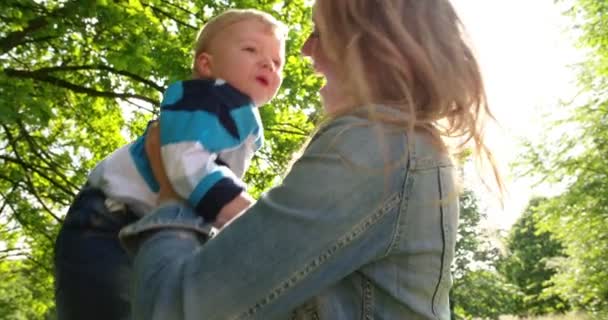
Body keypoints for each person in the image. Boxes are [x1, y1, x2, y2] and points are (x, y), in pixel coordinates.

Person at [120, 0, 504, 319]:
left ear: (370, 45)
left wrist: (171, 192)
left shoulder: (373, 149)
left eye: (318, 33)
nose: (304, 50)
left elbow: (169, 309)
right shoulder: (402, 146)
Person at [53, 9, 286, 320]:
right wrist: (248, 219)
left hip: (155, 224)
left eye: (277, 61)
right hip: (106, 222)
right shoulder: (203, 98)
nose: (267, 63)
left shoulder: (238, 113)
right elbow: (186, 162)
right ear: (207, 64)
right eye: (250, 50)